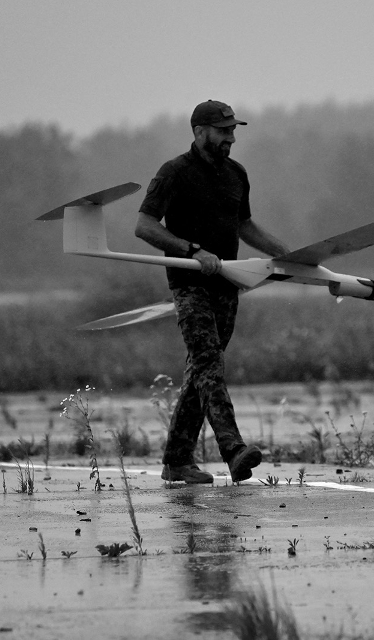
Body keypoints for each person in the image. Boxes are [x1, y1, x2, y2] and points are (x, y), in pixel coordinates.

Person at [135, 100, 290, 484]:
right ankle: (233, 449)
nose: (231, 138)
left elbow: (244, 226)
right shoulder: (174, 173)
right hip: (189, 284)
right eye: (223, 131)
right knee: (208, 363)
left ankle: (176, 461)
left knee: (202, 370)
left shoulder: (237, 174)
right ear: (199, 131)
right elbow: (144, 225)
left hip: (227, 284)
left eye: (233, 131)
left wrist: (284, 255)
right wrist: (191, 250)